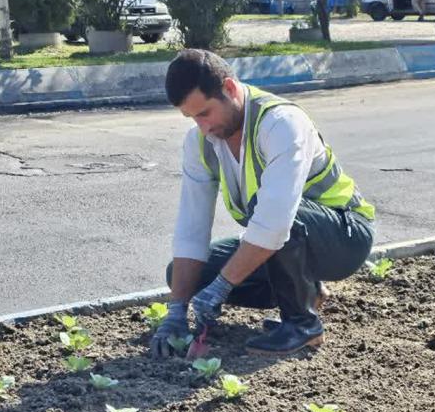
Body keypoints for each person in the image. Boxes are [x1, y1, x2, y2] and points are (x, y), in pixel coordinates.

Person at [153, 49, 376, 357]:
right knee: (186, 277)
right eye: (191, 118)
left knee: (272, 214)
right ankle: (306, 290)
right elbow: (192, 226)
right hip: (283, 238)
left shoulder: (281, 123)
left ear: (230, 89)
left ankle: (302, 324)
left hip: (344, 238)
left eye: (204, 113)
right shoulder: (200, 143)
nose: (203, 127)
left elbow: (275, 222)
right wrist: (177, 310)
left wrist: (222, 286)